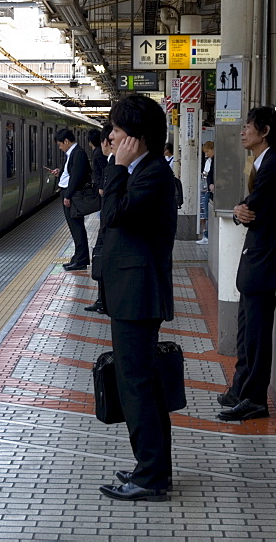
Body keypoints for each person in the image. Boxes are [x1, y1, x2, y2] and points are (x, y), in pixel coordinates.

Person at [97, 94, 177, 503]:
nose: (110, 137)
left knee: (137, 387)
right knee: (141, 385)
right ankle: (151, 468)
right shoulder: (144, 170)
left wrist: (117, 167)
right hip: (130, 293)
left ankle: (150, 477)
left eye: (117, 130)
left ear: (137, 139)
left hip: (138, 296)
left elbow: (112, 215)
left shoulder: (151, 175)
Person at [218, 107, 276, 422]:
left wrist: (242, 208)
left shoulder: (272, 166)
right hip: (259, 261)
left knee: (256, 336)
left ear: (265, 130)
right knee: (246, 332)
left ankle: (255, 400)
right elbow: (248, 208)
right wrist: (242, 208)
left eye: (248, 126)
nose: (243, 131)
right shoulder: (263, 163)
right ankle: (240, 390)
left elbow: (252, 208)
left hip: (265, 262)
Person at [50, 128, 90, 271]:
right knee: (74, 228)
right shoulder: (72, 153)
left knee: (77, 227)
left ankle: (81, 259)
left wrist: (68, 196)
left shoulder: (78, 153)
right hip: (68, 192)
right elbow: (70, 173)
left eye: (60, 144)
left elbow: (76, 177)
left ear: (66, 141)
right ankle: (78, 257)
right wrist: (60, 172)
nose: (60, 147)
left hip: (71, 195)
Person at [86, 125, 113, 314]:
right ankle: (103, 299)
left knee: (102, 255)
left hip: (109, 221)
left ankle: (104, 301)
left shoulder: (114, 165)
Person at [198, 141, 214, 244]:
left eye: (208, 151)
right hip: (207, 188)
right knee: (205, 212)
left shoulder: (216, 161)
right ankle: (206, 235)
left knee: (207, 214)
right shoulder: (209, 160)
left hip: (210, 190)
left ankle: (208, 236)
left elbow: (209, 175)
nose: (206, 154)